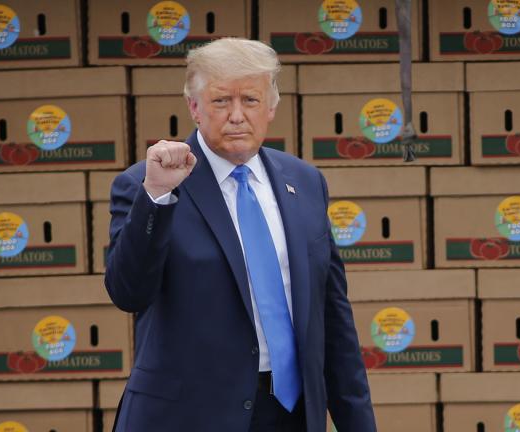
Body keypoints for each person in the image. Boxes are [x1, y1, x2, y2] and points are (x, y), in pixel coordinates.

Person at [104, 37, 376, 432]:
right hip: (188, 418)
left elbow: (333, 318)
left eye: (249, 100)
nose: (236, 116)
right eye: (220, 101)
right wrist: (157, 197)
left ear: (271, 107)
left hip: (289, 414)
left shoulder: (305, 182)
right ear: (194, 108)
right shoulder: (147, 185)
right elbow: (128, 292)